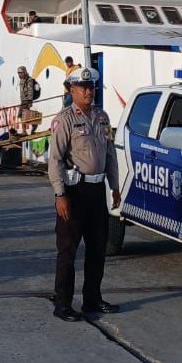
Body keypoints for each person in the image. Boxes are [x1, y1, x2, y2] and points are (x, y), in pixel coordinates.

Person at [48, 67, 122, 322]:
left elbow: (110, 153)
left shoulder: (102, 118)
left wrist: (115, 186)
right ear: (72, 90)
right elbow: (55, 160)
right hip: (74, 191)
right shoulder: (65, 119)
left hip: (97, 190)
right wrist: (60, 194)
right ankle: (63, 304)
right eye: (83, 88)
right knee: (68, 250)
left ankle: (92, 299)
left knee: (97, 248)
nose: (89, 92)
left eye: (91, 88)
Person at [17, 66, 41, 133]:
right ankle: (34, 123)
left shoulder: (29, 80)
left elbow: (30, 91)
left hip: (27, 100)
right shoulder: (22, 80)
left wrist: (30, 101)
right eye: (18, 73)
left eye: (21, 73)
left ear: (24, 72)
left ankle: (24, 131)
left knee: (22, 115)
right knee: (24, 115)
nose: (19, 74)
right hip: (23, 100)